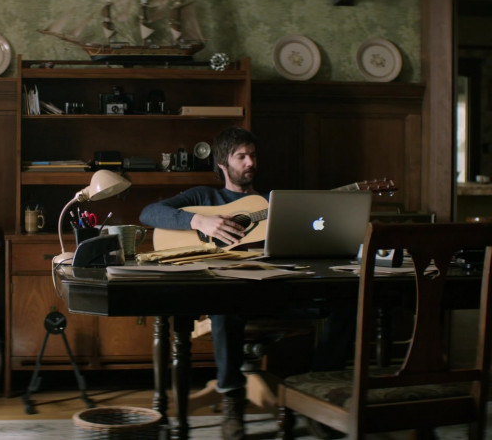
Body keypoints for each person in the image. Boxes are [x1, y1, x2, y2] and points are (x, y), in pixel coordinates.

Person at [139, 126, 353, 440]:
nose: (250, 162)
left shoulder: (273, 203)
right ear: (223, 164)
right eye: (241, 156)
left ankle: (319, 390)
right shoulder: (205, 197)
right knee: (226, 302)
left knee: (346, 303)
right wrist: (199, 220)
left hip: (275, 293)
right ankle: (232, 401)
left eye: (252, 155)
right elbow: (149, 213)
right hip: (227, 297)